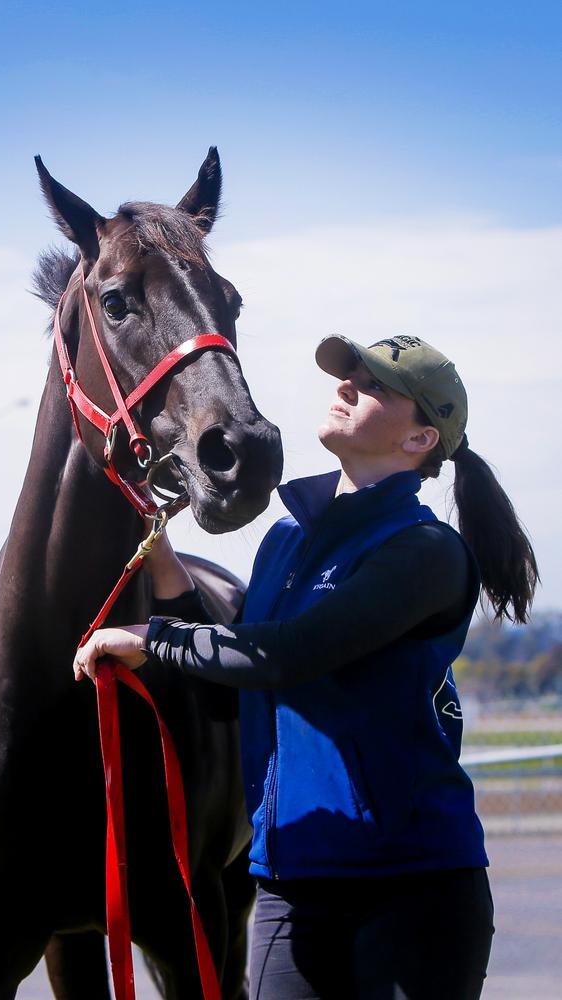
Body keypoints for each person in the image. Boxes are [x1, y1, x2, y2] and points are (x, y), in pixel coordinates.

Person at [74, 334, 538, 1000]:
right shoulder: (283, 542)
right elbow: (238, 677)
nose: (346, 385)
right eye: (347, 374)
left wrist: (158, 637)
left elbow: (287, 655)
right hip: (289, 885)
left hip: (412, 892)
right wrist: (163, 561)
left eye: (375, 385)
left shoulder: (426, 551)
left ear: (420, 441)